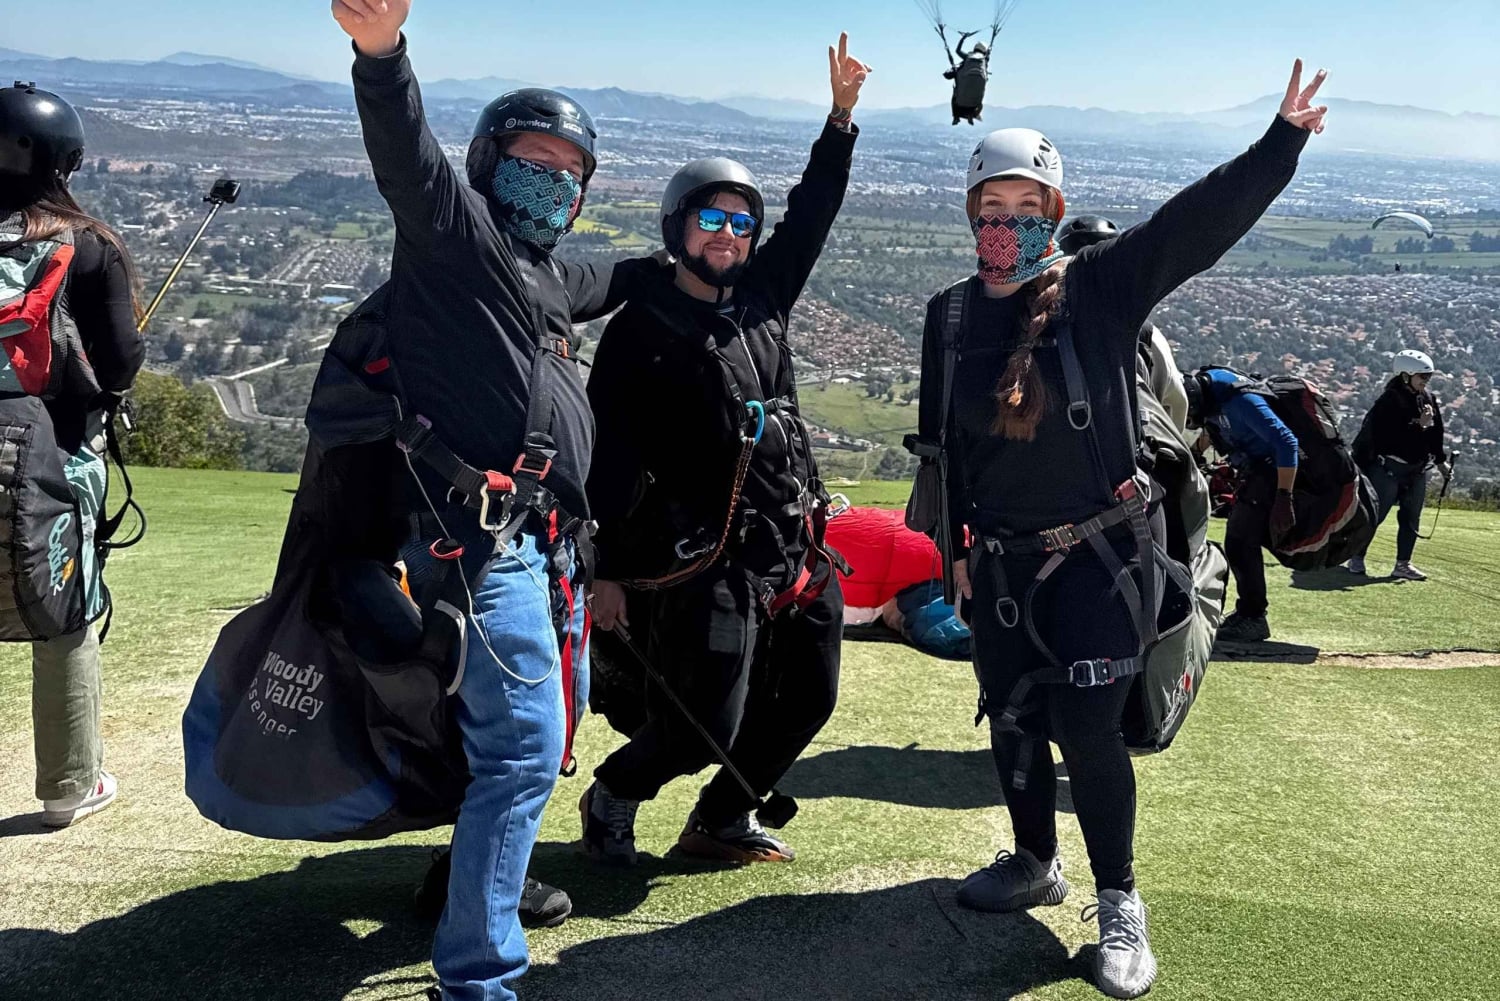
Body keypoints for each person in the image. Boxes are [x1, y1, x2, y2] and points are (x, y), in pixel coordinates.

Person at [914, 61, 1328, 999]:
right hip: (1004, 561)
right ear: (970, 210)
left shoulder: (1098, 291)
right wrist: (960, 554)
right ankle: (1032, 861)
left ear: (1054, 212)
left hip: (1101, 554)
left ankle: (1119, 900)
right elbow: (948, 453)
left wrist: (1280, 144)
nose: (1007, 222)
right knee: (1012, 716)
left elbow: (1193, 228)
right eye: (993, 204)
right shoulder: (948, 318)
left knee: (1088, 730)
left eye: (1028, 205)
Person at [331, 1, 654, 998]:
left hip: (548, 549)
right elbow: (409, 166)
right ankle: (476, 976)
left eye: (571, 173)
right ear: (487, 161)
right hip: (479, 546)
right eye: (532, 160)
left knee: (542, 731)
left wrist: (721, 251)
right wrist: (383, 54)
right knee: (520, 745)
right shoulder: (455, 243)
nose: (552, 182)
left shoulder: (550, 275)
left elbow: (637, 271)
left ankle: (473, 882)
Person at [580, 36, 869, 867]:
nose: (728, 234)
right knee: (701, 723)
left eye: (742, 222)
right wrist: (601, 569)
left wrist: (840, 121)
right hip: (703, 557)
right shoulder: (639, 333)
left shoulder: (763, 298)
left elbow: (813, 211)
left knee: (808, 699)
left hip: (792, 541)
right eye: (711, 218)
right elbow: (609, 455)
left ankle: (720, 819)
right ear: (679, 227)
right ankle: (615, 793)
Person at [1, 83, 145, 827]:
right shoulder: (84, 243)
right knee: (65, 615)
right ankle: (68, 784)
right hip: (50, 451)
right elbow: (119, 364)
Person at [1182, 367, 1299, 643]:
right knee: (1241, 541)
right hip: (1256, 472)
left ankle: (1253, 617)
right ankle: (1249, 613)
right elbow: (1214, 429)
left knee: (1239, 541)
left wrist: (1285, 496)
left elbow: (1286, 441)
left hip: (1270, 473)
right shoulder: (1214, 396)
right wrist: (1193, 454)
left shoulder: (1240, 400)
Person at [1347, 349, 1450, 580]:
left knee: (1411, 517)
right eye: (1422, 377)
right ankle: (1356, 556)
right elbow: (1387, 437)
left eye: (1428, 377)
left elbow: (1436, 433)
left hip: (1417, 469)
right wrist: (1419, 425)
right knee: (1375, 515)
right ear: (1406, 376)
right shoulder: (1389, 401)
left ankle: (1403, 564)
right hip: (1388, 469)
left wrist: (1441, 464)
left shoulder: (1428, 399)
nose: (1426, 381)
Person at [945, 33, 990, 125]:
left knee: (954, 98)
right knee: (980, 104)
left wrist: (963, 38)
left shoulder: (967, 57)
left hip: (960, 100)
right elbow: (988, 56)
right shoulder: (985, 60)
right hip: (975, 102)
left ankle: (956, 117)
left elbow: (957, 50)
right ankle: (972, 115)